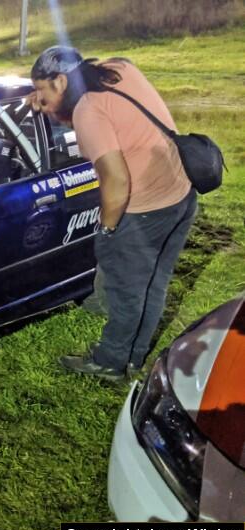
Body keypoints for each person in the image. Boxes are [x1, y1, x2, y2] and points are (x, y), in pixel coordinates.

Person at [27, 46, 198, 381]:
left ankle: (110, 362)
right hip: (181, 196)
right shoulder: (119, 69)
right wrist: (50, 103)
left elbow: (116, 180)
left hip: (145, 210)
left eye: (42, 91)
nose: (39, 100)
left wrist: (106, 230)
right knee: (154, 284)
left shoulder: (89, 111)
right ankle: (134, 357)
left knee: (126, 293)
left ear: (61, 81)